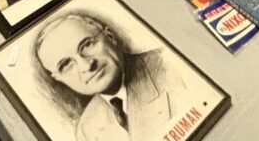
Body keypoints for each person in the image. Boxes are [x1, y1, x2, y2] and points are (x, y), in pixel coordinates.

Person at [34, 12, 190, 141]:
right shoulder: (87, 128)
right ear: (58, 78)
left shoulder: (170, 66)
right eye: (66, 64)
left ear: (110, 36)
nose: (87, 66)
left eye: (87, 45)